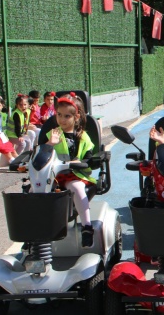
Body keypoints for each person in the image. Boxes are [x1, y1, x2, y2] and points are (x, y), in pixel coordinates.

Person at [45, 93, 97, 248]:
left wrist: (77, 162)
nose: (62, 119)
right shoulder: (52, 135)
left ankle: (87, 227)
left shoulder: (83, 137)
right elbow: (40, 155)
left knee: (77, 187)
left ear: (76, 117)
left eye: (67, 116)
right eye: (59, 115)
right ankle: (34, 233)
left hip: (74, 174)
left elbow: (89, 160)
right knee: (34, 189)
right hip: (52, 175)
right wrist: (49, 144)